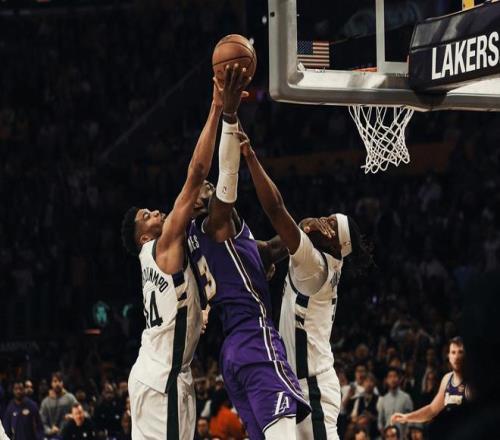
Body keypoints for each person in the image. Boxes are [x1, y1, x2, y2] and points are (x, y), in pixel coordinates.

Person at [121, 69, 246, 440]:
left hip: (151, 374)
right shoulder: (162, 245)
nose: (155, 211)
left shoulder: (158, 256)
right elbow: (196, 173)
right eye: (148, 216)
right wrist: (217, 107)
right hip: (164, 380)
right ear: (145, 235)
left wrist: (200, 307)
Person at [187, 65, 310, 440]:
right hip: (254, 336)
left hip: (232, 352)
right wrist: (228, 115)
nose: (208, 186)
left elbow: (269, 250)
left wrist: (305, 232)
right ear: (196, 205)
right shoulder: (213, 225)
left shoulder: (210, 241)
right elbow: (227, 178)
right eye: (202, 188)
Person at [238, 129, 372, 439]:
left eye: (330, 224)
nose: (323, 222)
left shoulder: (315, 265)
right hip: (296, 384)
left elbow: (275, 210)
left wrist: (251, 157)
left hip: (311, 386)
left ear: (336, 244)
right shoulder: (322, 259)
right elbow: (267, 248)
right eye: (326, 217)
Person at [391, 337, 468, 436]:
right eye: (453, 352)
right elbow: (432, 410)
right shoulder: (447, 379)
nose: (456, 356)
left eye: (460, 352)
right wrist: (407, 417)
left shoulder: (473, 380)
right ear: (448, 356)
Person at [378, 368, 413, 438]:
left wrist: (406, 433)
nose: (392, 379)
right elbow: (380, 421)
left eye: (395, 376)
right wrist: (384, 434)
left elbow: (411, 418)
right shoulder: (383, 399)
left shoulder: (406, 397)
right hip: (388, 436)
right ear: (386, 380)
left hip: (402, 436)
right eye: (390, 377)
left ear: (399, 379)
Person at [39, 372, 77, 437]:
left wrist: (73, 416)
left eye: (60, 381)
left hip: (69, 435)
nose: (57, 383)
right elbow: (42, 422)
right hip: (52, 437)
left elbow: (81, 413)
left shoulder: (70, 398)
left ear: (63, 383)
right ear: (51, 383)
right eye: (55, 381)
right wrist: (49, 430)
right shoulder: (45, 402)